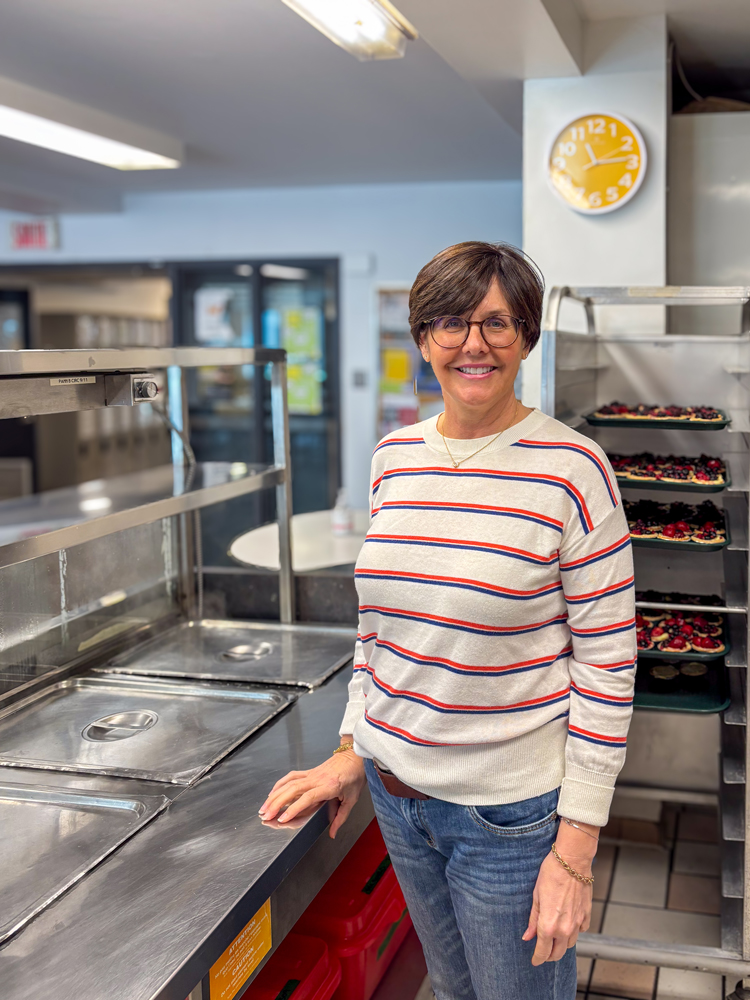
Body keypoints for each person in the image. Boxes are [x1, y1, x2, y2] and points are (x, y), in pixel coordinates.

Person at [260, 241, 636, 1000]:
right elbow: (379, 637)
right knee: (455, 992)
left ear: (526, 336)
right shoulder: (395, 458)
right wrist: (349, 752)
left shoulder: (574, 470)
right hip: (399, 800)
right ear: (423, 337)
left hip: (510, 818)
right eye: (451, 323)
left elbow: (607, 667)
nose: (473, 344)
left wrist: (574, 850)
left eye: (496, 324)